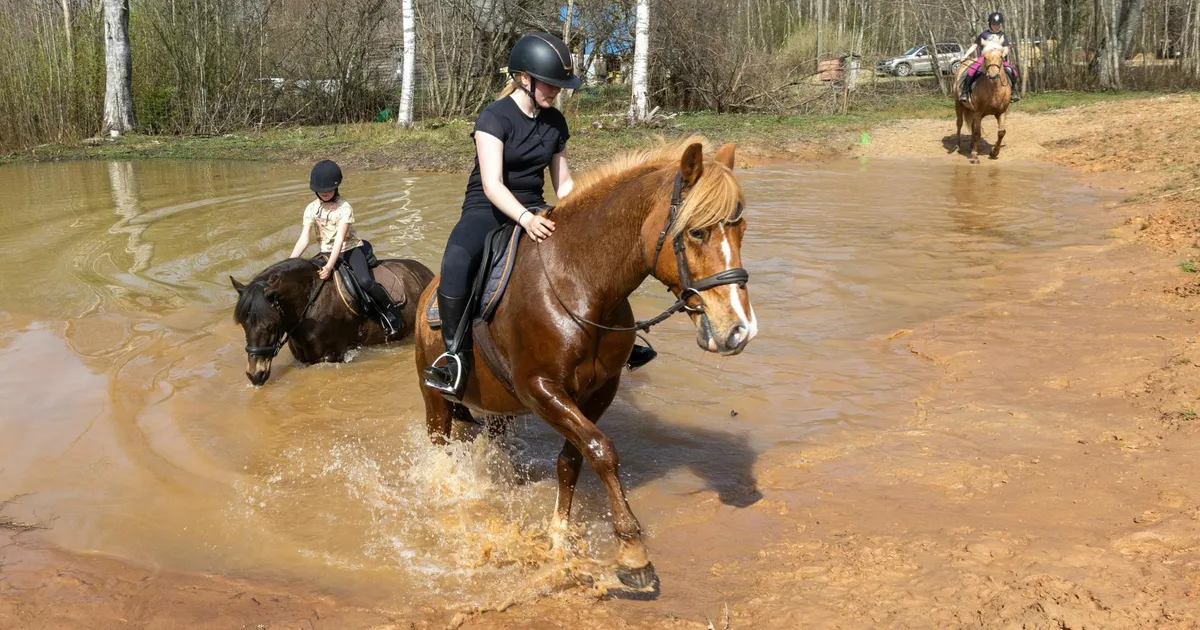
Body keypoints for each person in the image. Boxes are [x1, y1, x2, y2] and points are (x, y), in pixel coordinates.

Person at [422, 32, 656, 399]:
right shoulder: (493, 119)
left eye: (560, 86)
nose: (556, 92)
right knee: (455, 261)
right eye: (551, 85)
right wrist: (526, 220)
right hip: (488, 211)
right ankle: (454, 358)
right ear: (524, 78)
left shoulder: (555, 123)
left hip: (536, 206)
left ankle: (619, 338)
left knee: (594, 255)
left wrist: (585, 213)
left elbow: (563, 186)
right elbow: (493, 185)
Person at [289, 159, 404, 337]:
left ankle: (389, 310)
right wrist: (289, 263)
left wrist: (329, 267)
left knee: (365, 281)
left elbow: (339, 240)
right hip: (325, 252)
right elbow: (304, 239)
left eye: (329, 189)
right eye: (321, 190)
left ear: (336, 186)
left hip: (349, 249)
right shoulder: (311, 209)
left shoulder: (344, 208)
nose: (325, 193)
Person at [958, 11, 1021, 103]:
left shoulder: (1002, 35)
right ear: (990, 24)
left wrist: (1003, 54)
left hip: (998, 59)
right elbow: (974, 46)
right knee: (971, 72)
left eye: (997, 24)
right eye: (994, 24)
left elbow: (1006, 48)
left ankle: (1013, 92)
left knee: (1013, 72)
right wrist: (965, 56)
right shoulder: (984, 35)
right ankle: (965, 93)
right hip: (985, 59)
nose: (996, 26)